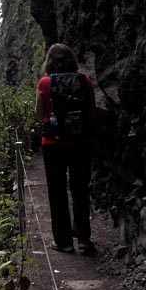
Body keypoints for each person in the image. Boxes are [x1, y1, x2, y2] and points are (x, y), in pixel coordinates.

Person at [35, 43, 96, 254]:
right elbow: (91, 111)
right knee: (80, 190)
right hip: (81, 143)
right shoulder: (84, 81)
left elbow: (39, 113)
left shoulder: (45, 83)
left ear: (49, 61)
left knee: (57, 191)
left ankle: (64, 241)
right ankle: (84, 239)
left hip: (53, 144)